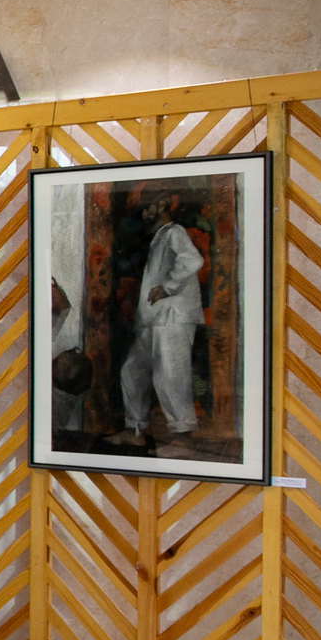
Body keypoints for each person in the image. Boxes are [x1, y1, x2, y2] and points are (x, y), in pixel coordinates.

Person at [107, 192, 203, 457]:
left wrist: (168, 287)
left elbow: (193, 260)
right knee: (132, 370)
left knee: (171, 375)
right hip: (156, 318)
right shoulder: (159, 237)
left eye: (147, 208)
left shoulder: (174, 231)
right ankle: (135, 431)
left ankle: (183, 440)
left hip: (173, 316)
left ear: (161, 205)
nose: (144, 213)